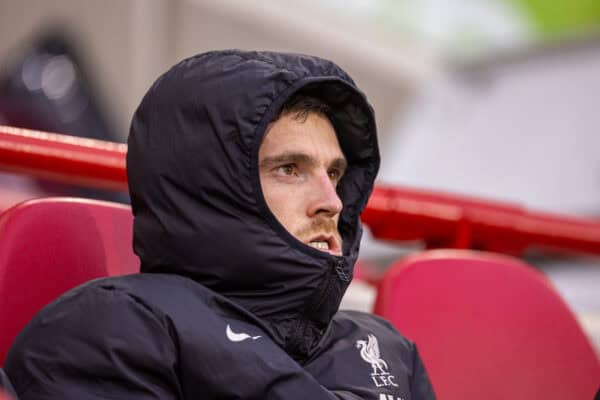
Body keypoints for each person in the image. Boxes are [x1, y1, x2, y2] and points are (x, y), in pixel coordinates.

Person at [4, 50, 435, 399]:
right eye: (289, 169)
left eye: (335, 174)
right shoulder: (117, 330)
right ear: (211, 188)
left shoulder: (387, 350)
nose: (331, 202)